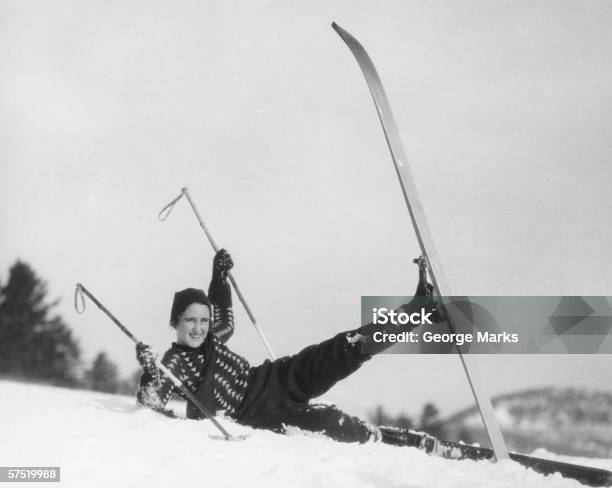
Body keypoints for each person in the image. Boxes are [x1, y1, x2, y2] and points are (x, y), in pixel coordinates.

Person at [136, 249, 442, 449]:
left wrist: (219, 278)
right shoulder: (172, 362)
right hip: (258, 412)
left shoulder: (213, 337)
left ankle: (419, 308)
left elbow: (225, 316)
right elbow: (152, 403)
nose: (198, 328)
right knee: (330, 423)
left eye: (203, 320)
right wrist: (150, 371)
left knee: (343, 349)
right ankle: (395, 442)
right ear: (175, 321)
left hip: (273, 377)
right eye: (190, 320)